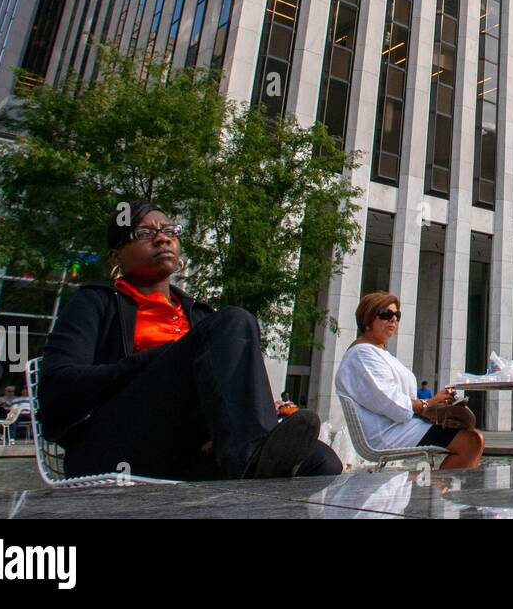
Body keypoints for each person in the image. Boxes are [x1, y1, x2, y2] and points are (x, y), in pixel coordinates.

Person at [40, 201, 341, 480]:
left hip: (185, 450)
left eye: (170, 231)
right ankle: (248, 455)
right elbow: (57, 385)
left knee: (321, 461)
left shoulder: (198, 314)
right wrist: (151, 361)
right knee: (234, 319)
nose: (162, 239)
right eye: (145, 232)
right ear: (116, 255)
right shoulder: (96, 302)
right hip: (116, 443)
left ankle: (244, 452)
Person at [336, 293, 484, 469]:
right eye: (385, 314)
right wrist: (427, 404)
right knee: (471, 441)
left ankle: (439, 491)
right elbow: (389, 401)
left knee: (473, 438)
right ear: (367, 320)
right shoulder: (362, 354)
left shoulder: (377, 353)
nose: (393, 320)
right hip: (387, 433)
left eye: (397, 315)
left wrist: (434, 405)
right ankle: (438, 493)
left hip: (400, 426)